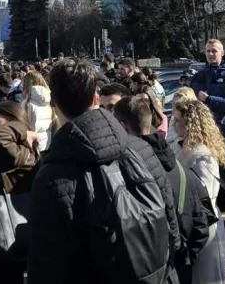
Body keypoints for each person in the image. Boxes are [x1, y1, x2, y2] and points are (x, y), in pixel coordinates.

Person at [27, 58, 179, 284]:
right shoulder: (142, 149)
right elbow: (171, 222)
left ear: (54, 105)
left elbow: (48, 262)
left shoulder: (51, 176)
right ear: (96, 98)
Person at [114, 96, 212, 284]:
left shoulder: (124, 170)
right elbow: (202, 223)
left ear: (122, 126)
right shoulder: (179, 163)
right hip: (177, 267)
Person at [173, 98, 225, 283]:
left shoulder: (202, 156)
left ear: (190, 123)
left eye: (177, 120)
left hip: (203, 225)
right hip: (188, 224)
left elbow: (205, 196)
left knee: (206, 276)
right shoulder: (177, 146)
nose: (173, 124)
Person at [190, 38, 225, 139]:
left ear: (222, 53)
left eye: (214, 51)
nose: (210, 54)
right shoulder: (198, 76)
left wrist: (208, 99)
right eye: (208, 51)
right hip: (203, 134)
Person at [20, 71, 54, 152]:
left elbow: (23, 126)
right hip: (48, 143)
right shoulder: (49, 100)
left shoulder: (27, 103)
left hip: (33, 146)